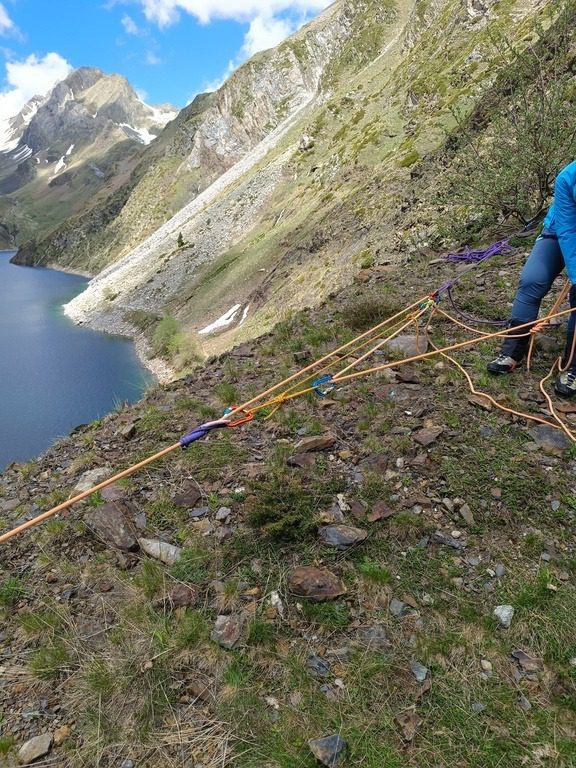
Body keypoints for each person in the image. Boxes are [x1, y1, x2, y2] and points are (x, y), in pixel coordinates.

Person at [487, 159, 576, 396]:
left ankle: (573, 367)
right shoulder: (568, 177)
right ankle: (512, 351)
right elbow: (567, 230)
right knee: (531, 280)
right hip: (558, 232)